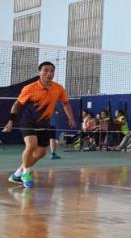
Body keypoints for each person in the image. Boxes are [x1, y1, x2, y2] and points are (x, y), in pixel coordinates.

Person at [3, 61, 78, 189]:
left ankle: (18, 173)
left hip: (44, 124)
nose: (49, 73)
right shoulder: (30, 88)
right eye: (46, 70)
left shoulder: (58, 88)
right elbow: (17, 105)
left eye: (52, 71)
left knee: (41, 153)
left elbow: (66, 103)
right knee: (31, 145)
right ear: (39, 72)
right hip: (28, 121)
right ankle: (26, 173)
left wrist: (71, 118)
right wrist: (11, 121)